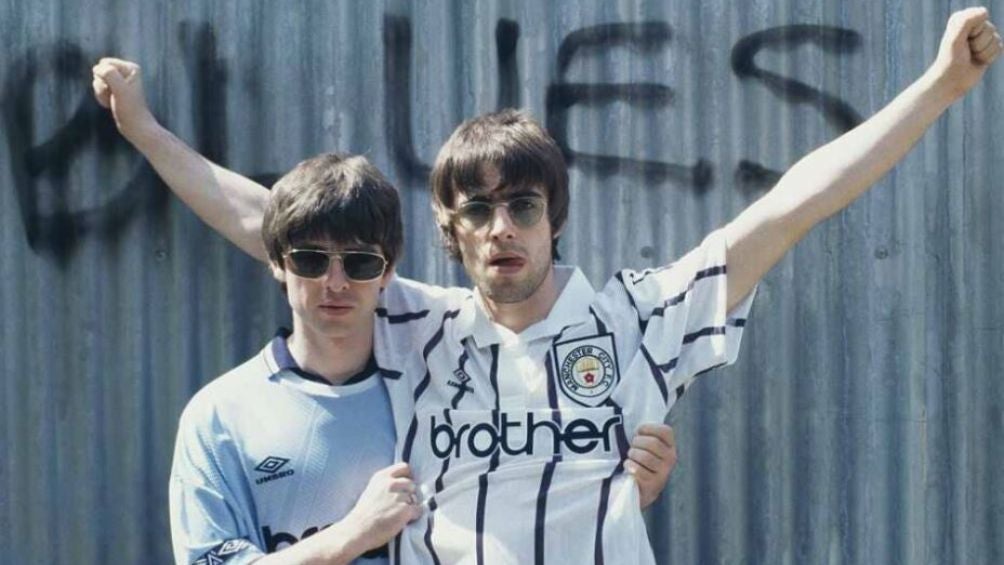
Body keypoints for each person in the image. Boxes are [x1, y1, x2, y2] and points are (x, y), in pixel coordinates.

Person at [94, 7, 1001, 563]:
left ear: (553, 215)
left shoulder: (638, 320)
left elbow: (793, 204)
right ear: (449, 229)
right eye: (478, 210)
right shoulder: (419, 324)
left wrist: (936, 87)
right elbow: (273, 225)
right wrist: (139, 129)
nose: (501, 229)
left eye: (522, 205)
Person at [94, 76, 678, 565]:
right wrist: (351, 536)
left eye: (360, 263)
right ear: (279, 262)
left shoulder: (436, 359)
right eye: (309, 260)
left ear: (386, 272)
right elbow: (264, 217)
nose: (336, 281)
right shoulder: (221, 414)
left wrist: (615, 483)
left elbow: (525, 476)